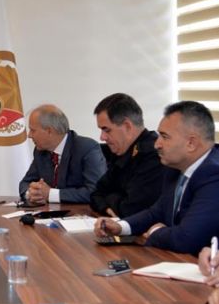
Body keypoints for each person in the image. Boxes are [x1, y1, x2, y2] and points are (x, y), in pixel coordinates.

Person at [94, 101, 219, 255]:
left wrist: (154, 232)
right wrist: (121, 226)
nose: (156, 144)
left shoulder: (214, 174)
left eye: (164, 137)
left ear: (191, 143)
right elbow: (156, 212)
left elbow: (186, 239)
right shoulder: (175, 168)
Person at [89, 93, 166, 217]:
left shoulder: (154, 155)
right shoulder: (122, 150)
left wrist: (109, 199)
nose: (102, 137)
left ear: (127, 126)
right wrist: (110, 205)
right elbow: (95, 194)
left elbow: (131, 209)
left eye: (106, 130)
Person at [19, 104, 106, 204]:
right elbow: (25, 183)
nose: (29, 135)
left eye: (33, 130)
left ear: (49, 131)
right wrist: (31, 194)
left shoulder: (87, 148)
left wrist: (50, 194)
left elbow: (96, 192)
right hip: (50, 211)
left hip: (80, 212)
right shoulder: (40, 152)